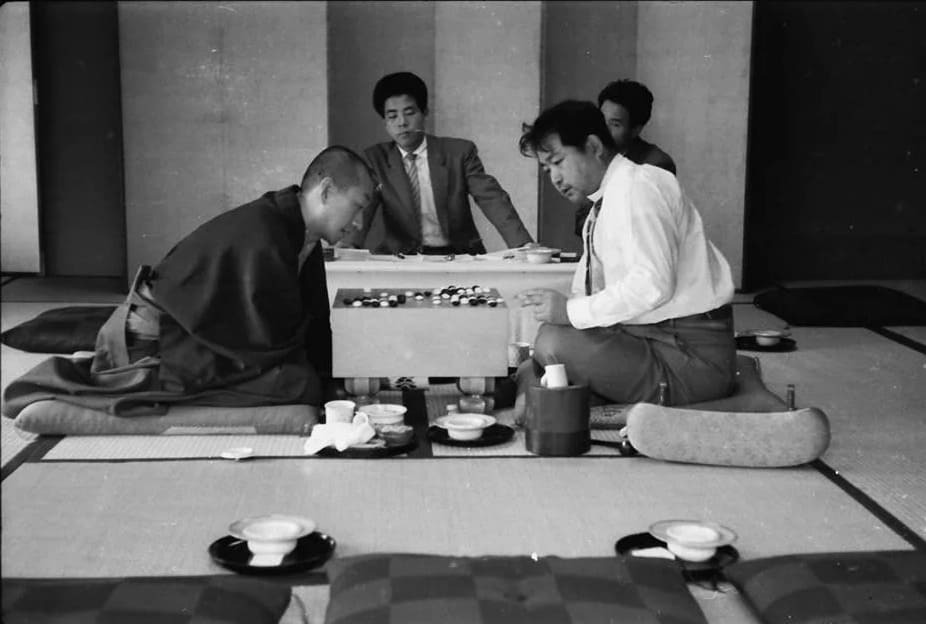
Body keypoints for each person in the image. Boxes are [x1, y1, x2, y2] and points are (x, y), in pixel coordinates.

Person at [2, 146, 379, 418]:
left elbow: (307, 320)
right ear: (326, 190)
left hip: (198, 334)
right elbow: (265, 335)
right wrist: (316, 374)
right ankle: (126, 379)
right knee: (299, 386)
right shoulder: (266, 231)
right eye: (358, 207)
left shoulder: (300, 234)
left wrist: (336, 372)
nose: (361, 223)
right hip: (157, 341)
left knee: (309, 381)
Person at [513, 100, 735, 416]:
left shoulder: (638, 187)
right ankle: (561, 390)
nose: (555, 178)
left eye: (559, 162)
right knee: (550, 337)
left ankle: (556, 392)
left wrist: (570, 312)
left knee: (553, 344)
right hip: (654, 339)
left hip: (690, 359)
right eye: (547, 169)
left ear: (592, 146)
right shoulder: (607, 199)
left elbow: (653, 285)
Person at [344, 71, 533, 255]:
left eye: (409, 113)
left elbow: (492, 198)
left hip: (458, 256)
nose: (402, 122)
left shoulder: (458, 153)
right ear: (385, 122)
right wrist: (349, 246)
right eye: (392, 116)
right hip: (401, 260)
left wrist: (522, 245)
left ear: (424, 112)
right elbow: (363, 207)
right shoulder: (376, 159)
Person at [573, 79, 677, 236]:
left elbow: (640, 228)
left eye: (615, 124)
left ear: (636, 129)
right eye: (601, 121)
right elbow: (582, 222)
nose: (603, 130)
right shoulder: (596, 156)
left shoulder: (656, 164)